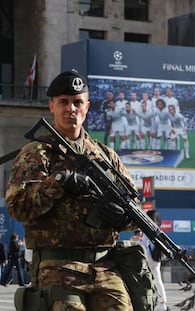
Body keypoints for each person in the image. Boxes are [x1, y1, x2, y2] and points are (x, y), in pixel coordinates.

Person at [5, 70, 141, 310]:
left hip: (104, 265)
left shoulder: (106, 156)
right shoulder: (37, 153)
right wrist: (59, 182)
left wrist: (122, 218)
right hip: (58, 265)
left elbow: (136, 212)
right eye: (63, 102)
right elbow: (18, 206)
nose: (71, 109)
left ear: (87, 107)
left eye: (77, 102)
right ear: (51, 106)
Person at [142, 210, 170, 311]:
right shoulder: (158, 229)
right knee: (157, 280)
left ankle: (160, 301)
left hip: (149, 258)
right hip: (156, 258)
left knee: (152, 280)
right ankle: (162, 301)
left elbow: (145, 244)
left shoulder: (147, 229)